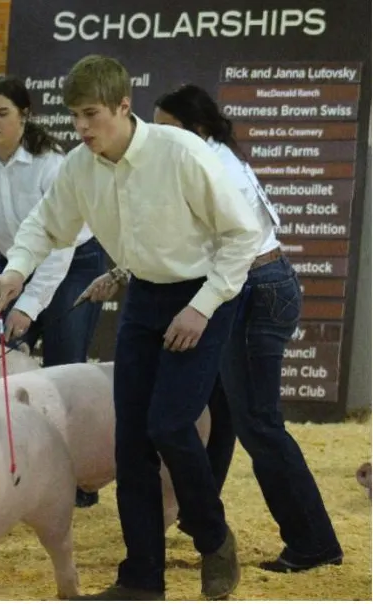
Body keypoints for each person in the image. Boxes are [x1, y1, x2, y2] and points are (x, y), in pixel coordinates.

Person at [0, 55, 265, 601]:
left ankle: (213, 538)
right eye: (74, 117)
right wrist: (17, 267)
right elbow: (46, 223)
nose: (83, 128)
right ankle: (141, 580)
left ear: (123, 106)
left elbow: (243, 236)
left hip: (207, 293)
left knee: (168, 424)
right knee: (131, 442)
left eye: (92, 115)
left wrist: (203, 305)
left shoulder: (180, 152)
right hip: (144, 297)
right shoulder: (79, 166)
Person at [148, 83, 343, 573]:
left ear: (199, 129)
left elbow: (231, 250)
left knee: (259, 424)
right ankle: (203, 521)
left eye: (167, 129)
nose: (157, 139)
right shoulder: (208, 159)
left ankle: (313, 541)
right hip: (259, 283)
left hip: (255, 288)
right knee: (224, 408)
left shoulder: (213, 168)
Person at [0, 75, 107, 509]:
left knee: (64, 370)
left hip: (72, 261)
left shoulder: (52, 162)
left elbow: (60, 245)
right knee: (1, 367)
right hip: (15, 264)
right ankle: (8, 467)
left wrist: (28, 305)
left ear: (24, 116)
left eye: (2, 114)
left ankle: (77, 479)